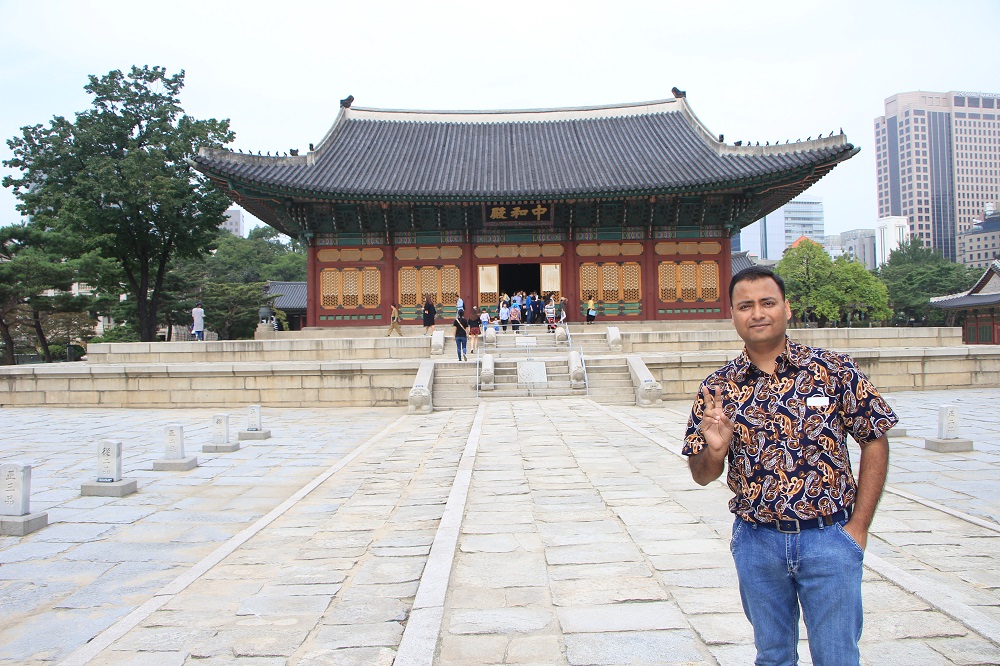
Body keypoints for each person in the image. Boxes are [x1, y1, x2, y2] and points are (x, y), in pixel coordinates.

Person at [682, 266, 897, 666]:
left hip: (829, 537)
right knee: (773, 656)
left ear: (787, 308)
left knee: (837, 657)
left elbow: (875, 439)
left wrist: (859, 528)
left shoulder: (834, 370)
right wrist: (715, 449)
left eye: (767, 302)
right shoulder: (718, 388)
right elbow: (701, 474)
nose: (757, 313)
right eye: (746, 306)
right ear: (732, 315)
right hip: (757, 541)